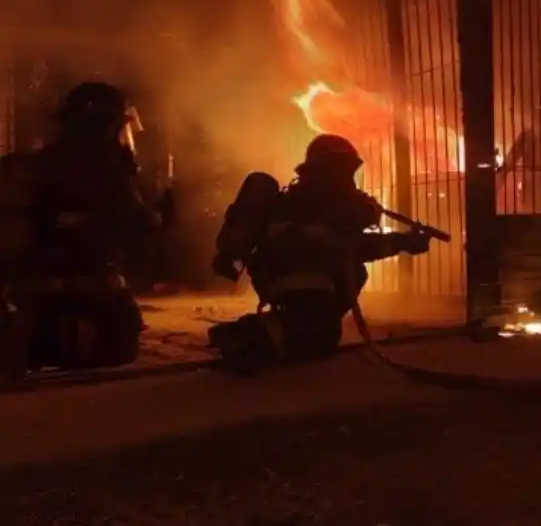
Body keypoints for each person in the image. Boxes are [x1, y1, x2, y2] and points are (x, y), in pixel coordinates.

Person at [208, 133, 430, 373]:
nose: (347, 178)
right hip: (299, 279)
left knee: (328, 312)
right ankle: (248, 333)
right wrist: (405, 241)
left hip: (277, 279)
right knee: (321, 336)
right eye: (343, 170)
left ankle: (283, 326)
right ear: (330, 169)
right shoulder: (324, 203)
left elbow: (344, 245)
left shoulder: (300, 197)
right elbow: (356, 246)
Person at [0, 81, 168, 378]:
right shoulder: (105, 174)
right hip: (83, 305)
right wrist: (159, 210)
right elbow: (141, 228)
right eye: (118, 128)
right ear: (105, 126)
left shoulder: (39, 165)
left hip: (26, 309)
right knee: (124, 332)